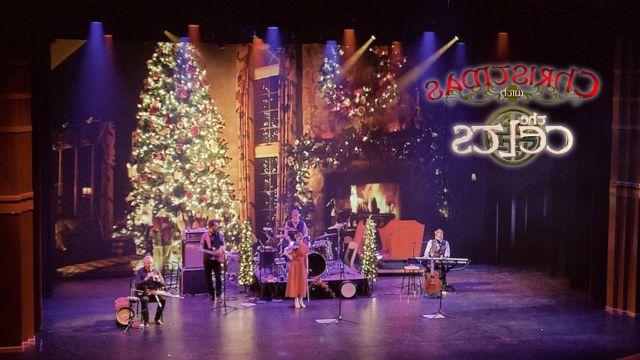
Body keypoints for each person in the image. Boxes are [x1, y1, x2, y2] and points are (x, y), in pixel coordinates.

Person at [135, 255, 166, 327]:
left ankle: (157, 319)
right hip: (144, 292)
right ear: (144, 263)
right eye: (148, 263)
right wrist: (146, 279)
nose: (150, 265)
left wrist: (158, 280)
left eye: (151, 263)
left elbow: (163, 284)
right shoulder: (140, 271)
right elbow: (137, 285)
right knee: (144, 300)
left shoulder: (156, 270)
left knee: (163, 300)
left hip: (154, 292)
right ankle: (146, 321)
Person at [201, 219, 225, 302]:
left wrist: (220, 250)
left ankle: (219, 296)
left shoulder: (220, 235)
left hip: (217, 259)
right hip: (208, 259)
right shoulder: (204, 236)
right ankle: (211, 295)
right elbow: (201, 248)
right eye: (215, 226)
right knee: (208, 278)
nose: (217, 227)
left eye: (217, 226)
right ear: (211, 226)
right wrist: (209, 252)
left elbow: (223, 244)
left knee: (218, 277)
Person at [285, 233, 309, 309]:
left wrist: (307, 268)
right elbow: (292, 258)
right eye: (299, 239)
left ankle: (301, 299)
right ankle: (296, 300)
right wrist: (286, 254)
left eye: (301, 238)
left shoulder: (305, 246)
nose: (300, 240)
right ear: (296, 239)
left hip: (302, 265)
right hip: (295, 265)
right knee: (295, 282)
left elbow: (306, 258)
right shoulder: (294, 247)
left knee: (302, 282)